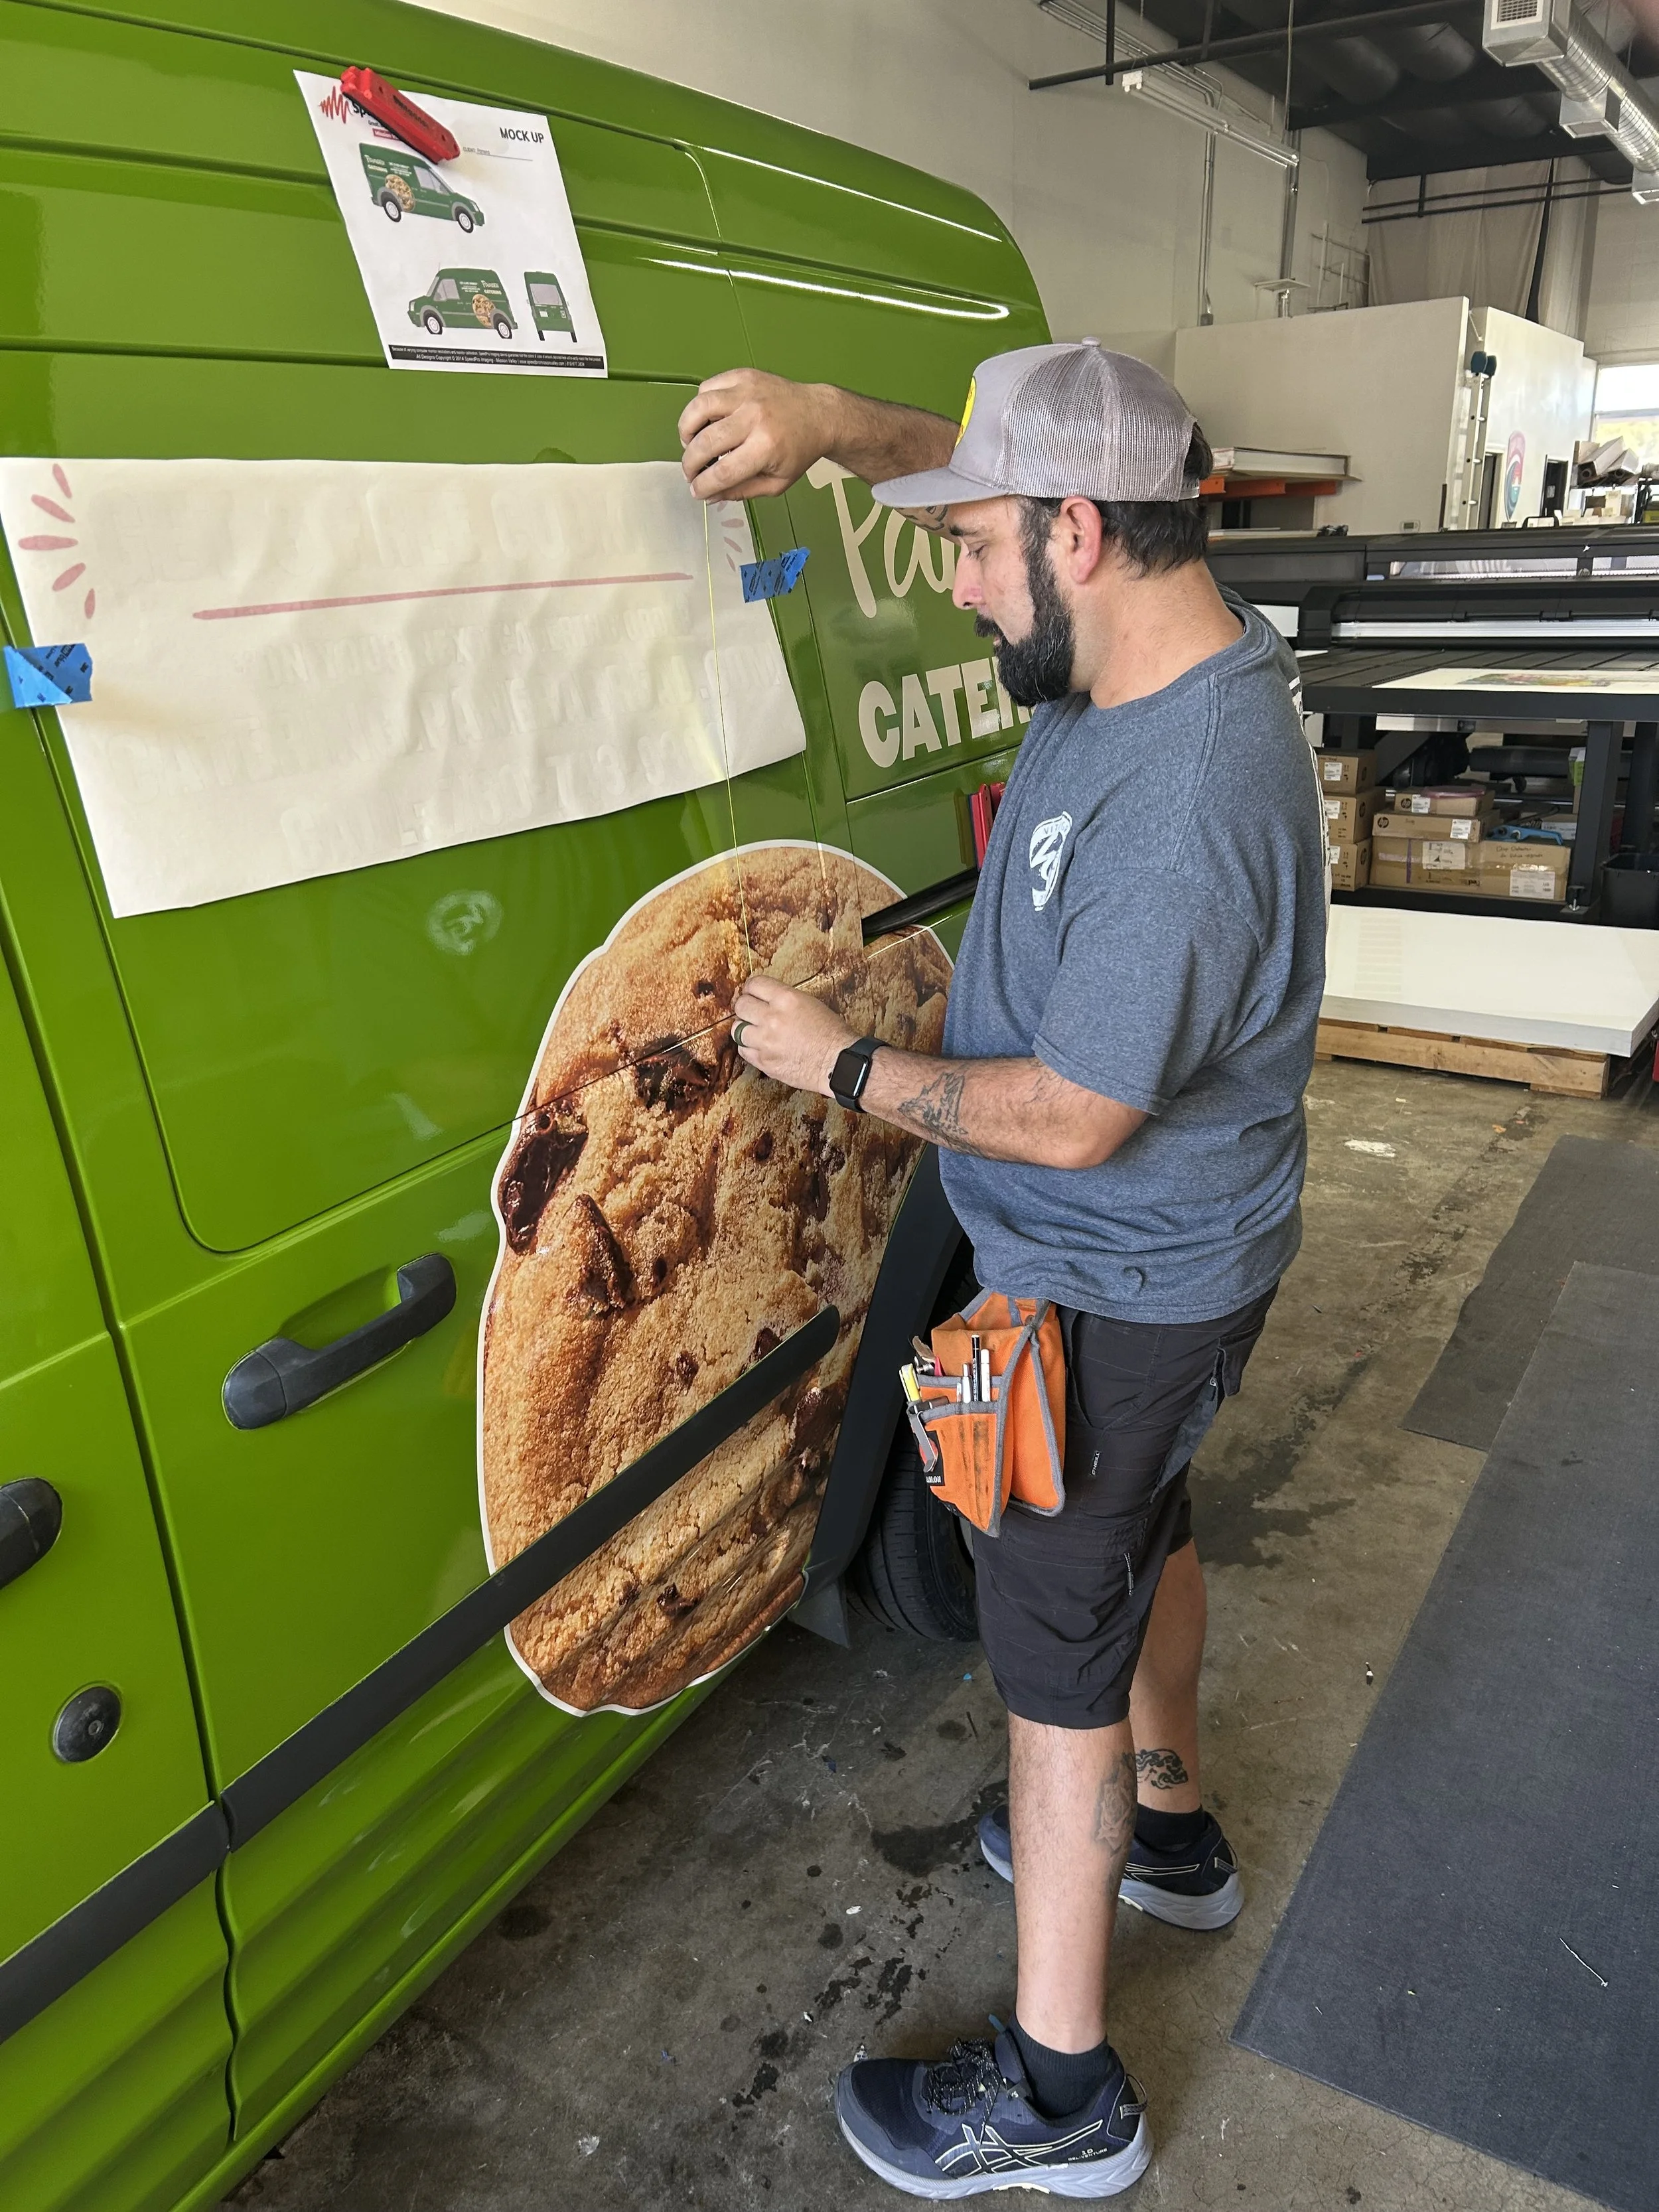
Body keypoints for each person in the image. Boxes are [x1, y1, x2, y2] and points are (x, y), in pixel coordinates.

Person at [679, 340, 1326, 2200]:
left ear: (1076, 531)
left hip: (1110, 1280)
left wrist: (849, 1070)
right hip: (1162, 1277)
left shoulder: (1185, 792)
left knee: (1049, 1653)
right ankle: (1171, 1831)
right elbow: (963, 469)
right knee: (1146, 1536)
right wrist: (827, 428)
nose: (953, 583)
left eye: (973, 547)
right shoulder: (1136, 632)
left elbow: (1068, 1117)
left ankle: (1059, 2094)